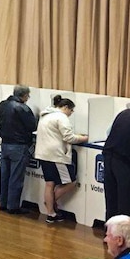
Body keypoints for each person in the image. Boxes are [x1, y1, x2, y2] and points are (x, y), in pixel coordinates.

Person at [34, 95, 89, 223]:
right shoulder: (61, 117)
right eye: (71, 110)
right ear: (65, 107)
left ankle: (50, 213)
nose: (71, 113)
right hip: (57, 155)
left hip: (43, 154)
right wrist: (84, 138)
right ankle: (50, 203)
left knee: (49, 183)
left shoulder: (45, 115)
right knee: (71, 182)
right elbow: (69, 138)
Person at [0, 84, 37, 214]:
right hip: (19, 146)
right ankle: (12, 206)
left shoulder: (2, 104)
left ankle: (3, 202)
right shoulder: (23, 108)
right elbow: (33, 126)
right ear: (24, 95)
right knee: (16, 177)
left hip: (5, 144)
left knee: (5, 175)